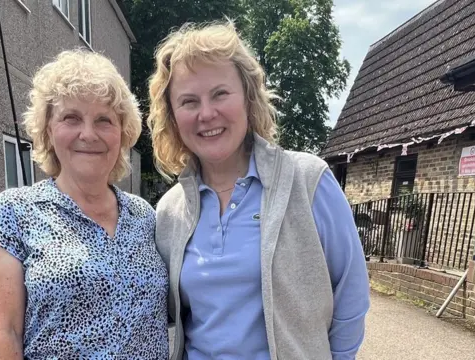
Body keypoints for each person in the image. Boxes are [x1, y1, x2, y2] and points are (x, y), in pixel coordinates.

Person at [148, 20, 370, 360]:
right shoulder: (169, 212)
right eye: (189, 101)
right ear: (173, 116)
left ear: (248, 98)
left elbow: (351, 294)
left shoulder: (308, 181)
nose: (207, 113)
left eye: (220, 93)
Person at [0, 50, 168, 359]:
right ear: (49, 130)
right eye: (71, 118)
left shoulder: (144, 215)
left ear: (122, 133)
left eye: (104, 120)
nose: (88, 134)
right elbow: (4, 335)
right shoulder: (15, 212)